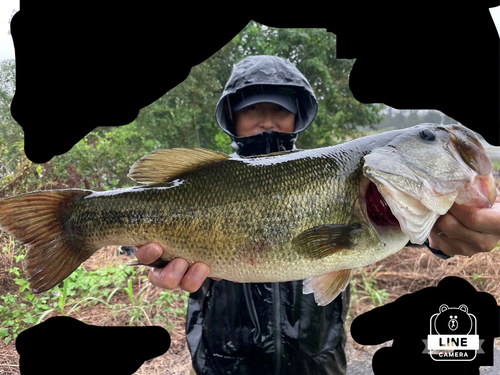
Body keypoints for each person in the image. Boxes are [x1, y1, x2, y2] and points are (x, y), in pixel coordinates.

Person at [134, 55, 500, 375]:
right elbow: (145, 243)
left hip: (317, 361)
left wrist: (446, 235)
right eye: (253, 109)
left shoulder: (349, 176)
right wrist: (154, 255)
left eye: (280, 109)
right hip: (224, 361)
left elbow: (413, 228)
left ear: (298, 114)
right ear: (231, 115)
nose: (268, 120)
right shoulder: (205, 179)